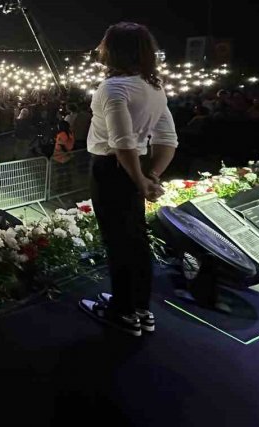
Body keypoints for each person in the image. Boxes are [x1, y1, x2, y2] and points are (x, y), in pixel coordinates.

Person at [79, 22, 177, 337]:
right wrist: (152, 175)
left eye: (104, 43)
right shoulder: (154, 87)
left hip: (111, 170)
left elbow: (123, 144)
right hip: (135, 169)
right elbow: (167, 139)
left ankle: (122, 313)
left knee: (117, 242)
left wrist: (140, 180)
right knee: (136, 239)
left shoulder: (114, 88)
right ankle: (140, 308)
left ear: (115, 50)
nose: (99, 48)